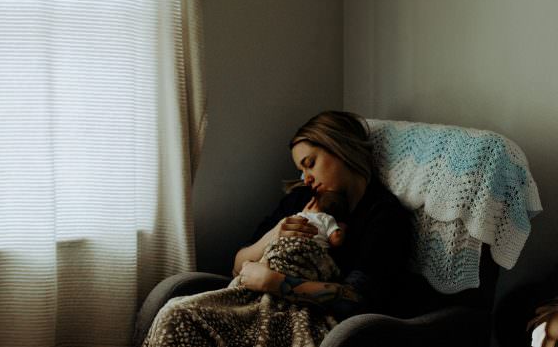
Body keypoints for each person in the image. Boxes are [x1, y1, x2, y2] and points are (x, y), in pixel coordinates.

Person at [143, 111, 412, 347]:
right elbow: (239, 263)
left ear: (341, 149)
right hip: (255, 303)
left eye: (310, 163)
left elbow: (355, 299)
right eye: (301, 170)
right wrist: (275, 234)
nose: (306, 178)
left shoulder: (384, 216)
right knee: (175, 314)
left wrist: (274, 282)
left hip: (311, 319)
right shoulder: (300, 200)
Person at [230, 190, 348, 289]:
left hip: (278, 257)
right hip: (309, 262)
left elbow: (237, 270)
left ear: (312, 204)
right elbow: (336, 240)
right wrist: (341, 228)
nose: (307, 179)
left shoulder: (298, 215)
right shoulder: (329, 220)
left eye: (311, 163)